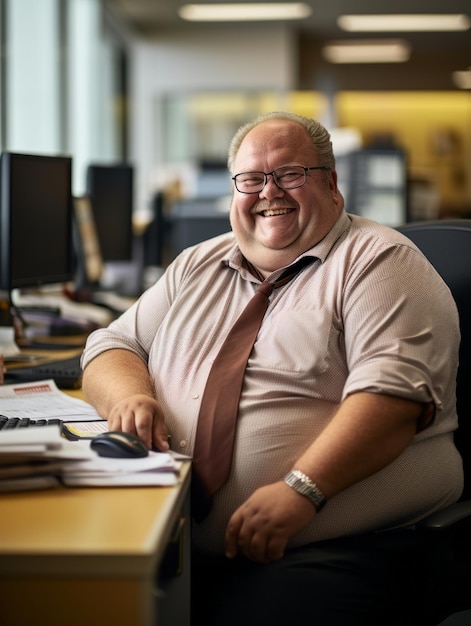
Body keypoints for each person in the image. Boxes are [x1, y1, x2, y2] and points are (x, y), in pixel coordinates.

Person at [81, 111, 463, 625]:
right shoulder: (198, 264)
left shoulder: (380, 262)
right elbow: (112, 342)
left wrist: (302, 489)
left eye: (290, 174)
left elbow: (392, 401)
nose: (269, 192)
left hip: (341, 548)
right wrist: (129, 396)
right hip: (175, 538)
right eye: (252, 178)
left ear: (331, 185)